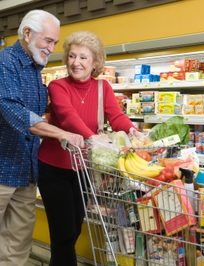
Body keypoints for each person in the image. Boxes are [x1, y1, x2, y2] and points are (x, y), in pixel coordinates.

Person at [38, 31, 137, 266]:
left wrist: (133, 131)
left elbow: (117, 116)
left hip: (83, 169)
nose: (76, 63)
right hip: (54, 168)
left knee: (74, 229)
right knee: (63, 233)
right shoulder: (58, 86)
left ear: (95, 63)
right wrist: (93, 138)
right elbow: (68, 116)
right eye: (72, 56)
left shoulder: (103, 88)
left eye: (83, 57)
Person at [0, 10, 85, 266]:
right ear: (27, 33)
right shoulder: (5, 63)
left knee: (18, 243)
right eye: (48, 40)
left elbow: (41, 115)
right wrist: (61, 133)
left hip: (26, 173)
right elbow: (12, 111)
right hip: (1, 170)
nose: (51, 48)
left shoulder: (37, 70)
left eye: (54, 43)